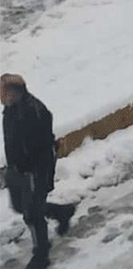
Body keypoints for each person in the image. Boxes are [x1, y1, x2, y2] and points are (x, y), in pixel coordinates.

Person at [3, 74, 76, 269]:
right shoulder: (10, 111)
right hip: (16, 170)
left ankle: (41, 254)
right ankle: (61, 212)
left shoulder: (34, 110)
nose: (1, 97)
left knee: (32, 214)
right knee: (19, 206)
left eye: (4, 92)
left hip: (34, 171)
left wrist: (35, 172)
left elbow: (44, 147)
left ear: (17, 91)